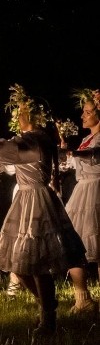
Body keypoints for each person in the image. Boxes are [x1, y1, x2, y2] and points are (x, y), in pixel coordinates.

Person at [0, 85, 86, 335]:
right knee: (20, 263)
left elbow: (9, 151)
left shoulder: (34, 139)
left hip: (35, 197)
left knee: (35, 262)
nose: (17, 115)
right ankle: (47, 304)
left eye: (21, 111)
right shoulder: (38, 138)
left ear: (31, 115)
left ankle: (48, 319)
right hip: (27, 196)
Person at [58, 88, 100, 316]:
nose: (83, 116)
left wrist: (74, 154)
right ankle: (82, 298)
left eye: (87, 112)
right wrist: (65, 158)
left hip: (96, 189)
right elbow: (77, 163)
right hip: (83, 191)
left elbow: (95, 155)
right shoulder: (86, 139)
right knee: (73, 244)